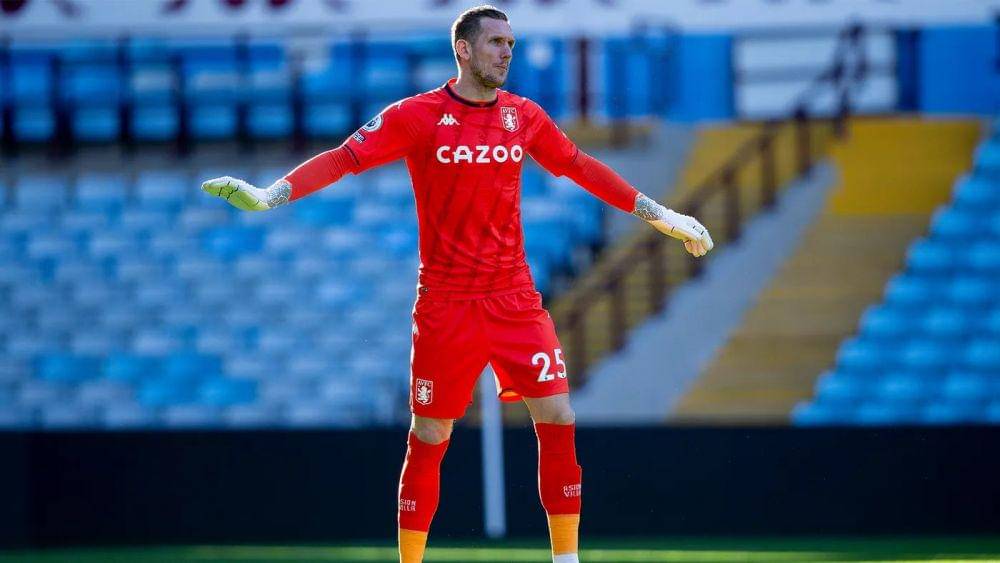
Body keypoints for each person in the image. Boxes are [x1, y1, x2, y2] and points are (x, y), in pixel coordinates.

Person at [201, 5, 713, 562]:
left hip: (515, 302)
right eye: (495, 42)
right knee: (429, 435)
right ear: (464, 50)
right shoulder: (416, 116)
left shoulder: (524, 116)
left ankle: (566, 560)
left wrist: (660, 215)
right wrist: (270, 195)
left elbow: (580, 166)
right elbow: (344, 159)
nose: (506, 53)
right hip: (446, 307)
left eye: (511, 44)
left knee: (559, 417)